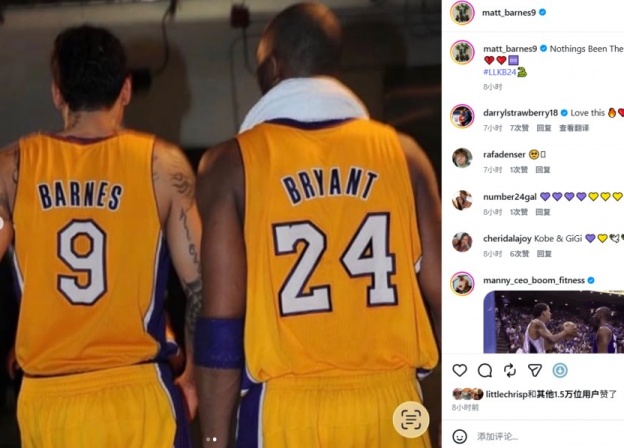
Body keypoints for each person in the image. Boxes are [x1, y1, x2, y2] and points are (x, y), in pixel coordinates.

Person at [194, 3, 441, 447]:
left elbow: (221, 325)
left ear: (272, 68)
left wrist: (213, 441)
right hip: (394, 405)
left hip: (287, 410)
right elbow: (452, 296)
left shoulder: (231, 163)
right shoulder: (404, 156)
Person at [0, 25, 200, 447]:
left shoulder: (11, 169)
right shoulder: (162, 165)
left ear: (57, 93)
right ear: (125, 89)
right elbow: (202, 288)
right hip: (138, 394)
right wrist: (195, 377)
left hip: (50, 399)